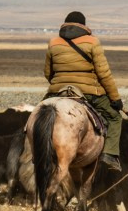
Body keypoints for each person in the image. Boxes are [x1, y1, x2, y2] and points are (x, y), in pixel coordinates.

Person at [44, 10, 123, 165]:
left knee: (37, 115)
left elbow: (48, 72)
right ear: (83, 25)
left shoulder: (53, 43)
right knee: (115, 117)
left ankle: (28, 151)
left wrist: (60, 82)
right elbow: (104, 74)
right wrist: (115, 98)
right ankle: (110, 154)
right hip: (88, 92)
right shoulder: (92, 42)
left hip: (57, 91)